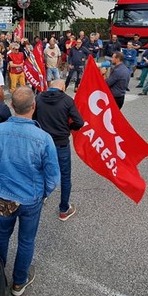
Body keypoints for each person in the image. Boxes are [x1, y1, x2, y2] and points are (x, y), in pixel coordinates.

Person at [0, 86, 60, 296]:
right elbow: (53, 177)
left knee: (2, 233)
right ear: (33, 106)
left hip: (4, 195)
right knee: (26, 240)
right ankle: (19, 282)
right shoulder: (43, 138)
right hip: (30, 199)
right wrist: (44, 194)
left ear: (11, 106)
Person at [34, 80, 84, 221]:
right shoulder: (67, 100)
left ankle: (42, 197)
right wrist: (69, 128)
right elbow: (79, 122)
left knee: (41, 171)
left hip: (43, 142)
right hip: (61, 143)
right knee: (65, 176)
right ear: (62, 88)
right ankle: (63, 209)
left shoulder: (38, 98)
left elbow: (33, 118)